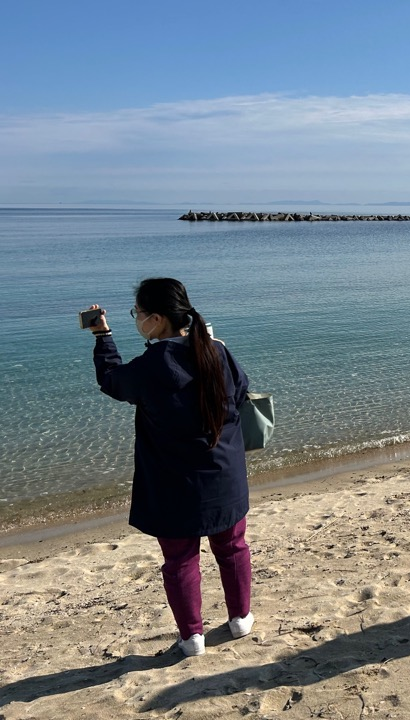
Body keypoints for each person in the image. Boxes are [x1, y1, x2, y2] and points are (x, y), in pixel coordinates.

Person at [84, 278, 254, 657]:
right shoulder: (216, 351)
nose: (138, 320)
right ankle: (241, 618)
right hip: (223, 473)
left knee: (179, 560)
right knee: (233, 547)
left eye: (139, 314)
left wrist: (102, 337)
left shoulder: (153, 364)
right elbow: (241, 390)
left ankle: (192, 637)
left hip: (173, 483)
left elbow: (112, 382)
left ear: (156, 319)